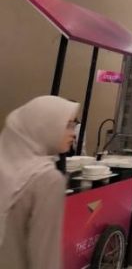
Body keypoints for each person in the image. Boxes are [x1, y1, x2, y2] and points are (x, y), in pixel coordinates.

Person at [0, 95, 79, 269]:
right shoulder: (47, 179)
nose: (73, 133)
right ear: (45, 126)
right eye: (68, 125)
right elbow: (45, 255)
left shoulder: (6, 166)